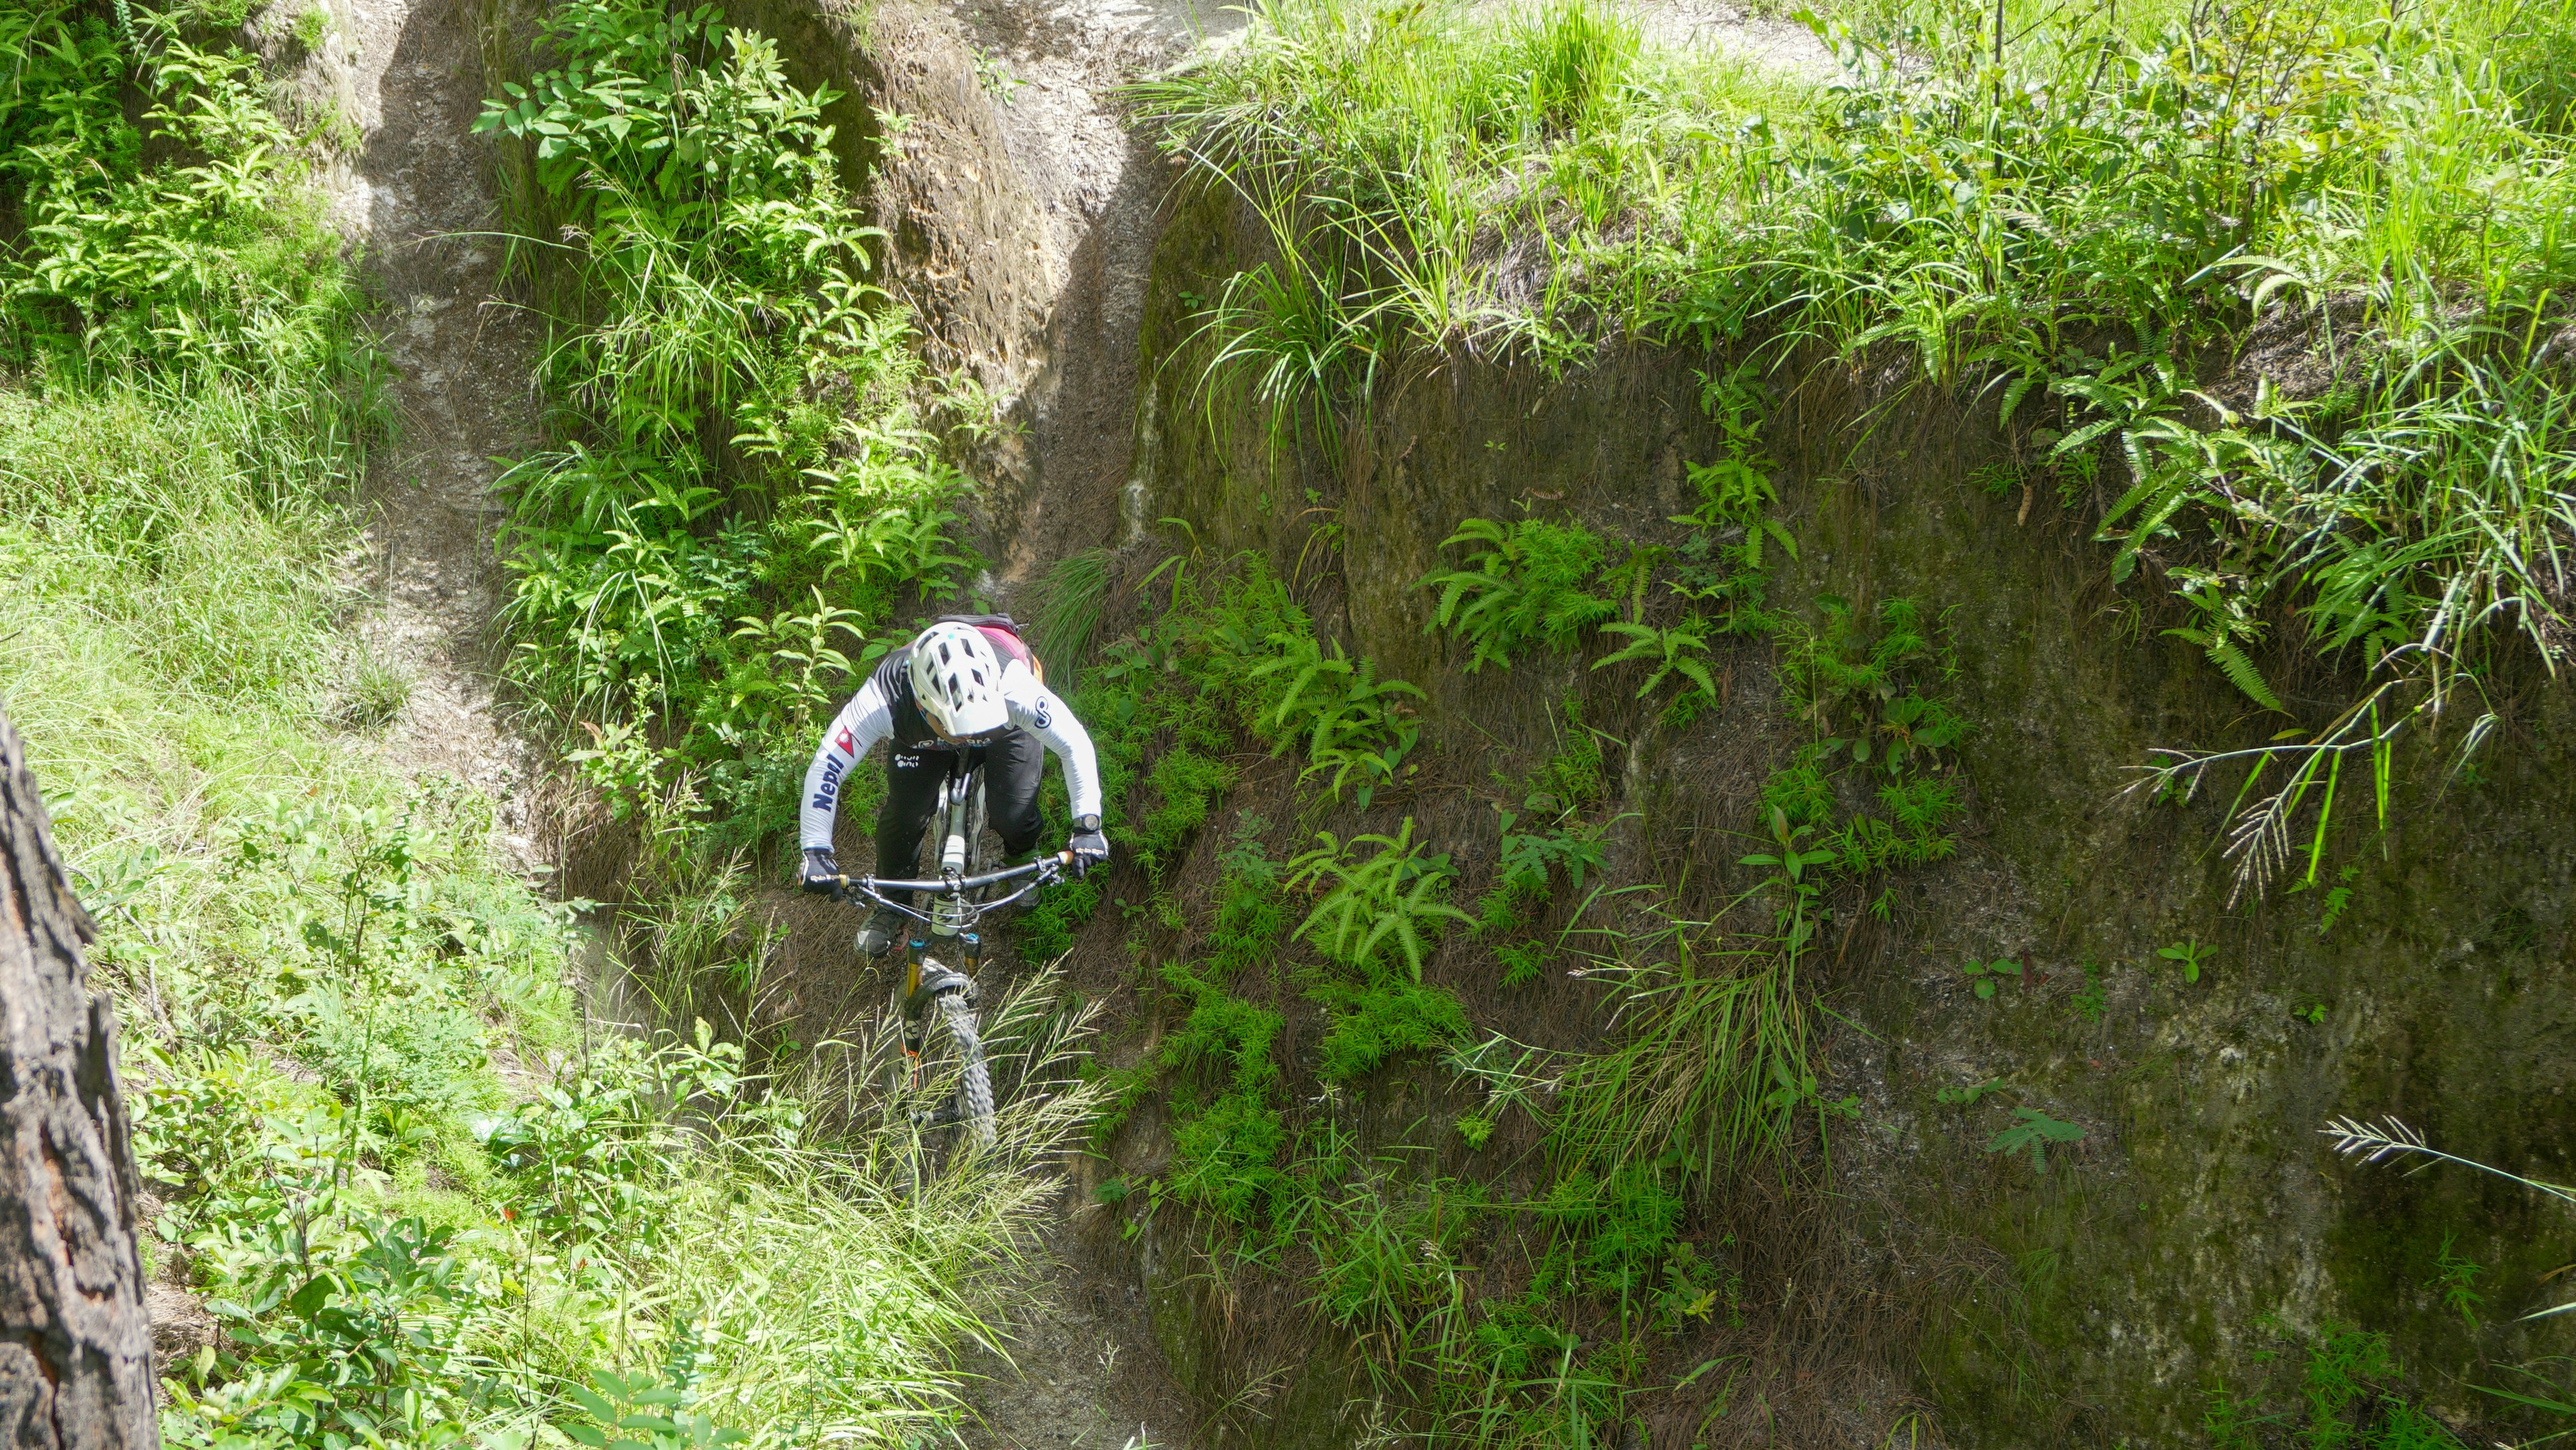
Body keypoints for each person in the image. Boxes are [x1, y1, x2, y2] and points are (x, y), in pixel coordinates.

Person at [796, 616, 1109, 954]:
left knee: (1014, 812)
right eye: (956, 730)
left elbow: (1074, 742)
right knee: (904, 816)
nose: (968, 738)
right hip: (923, 737)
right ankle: (891, 906)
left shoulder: (1015, 687)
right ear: (920, 703)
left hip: (1004, 724)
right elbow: (829, 763)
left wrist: (1087, 825)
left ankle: (1019, 854)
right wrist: (816, 851)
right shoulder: (885, 697)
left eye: (972, 730)